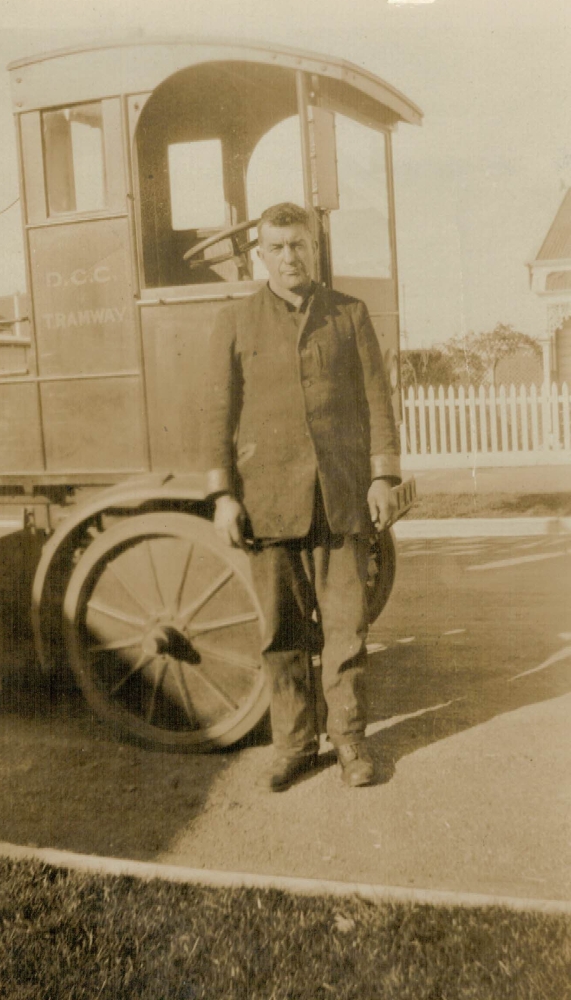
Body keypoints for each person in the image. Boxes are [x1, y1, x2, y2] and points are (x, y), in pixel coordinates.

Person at [206, 202, 400, 791]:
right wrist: (223, 496)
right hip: (267, 503)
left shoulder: (348, 314)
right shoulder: (236, 321)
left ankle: (350, 744)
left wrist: (382, 477)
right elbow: (219, 415)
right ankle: (293, 747)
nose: (290, 257)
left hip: (340, 500)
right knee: (281, 636)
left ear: (314, 250)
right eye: (278, 247)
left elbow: (376, 402)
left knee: (347, 631)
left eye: (299, 245)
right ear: (259, 254)